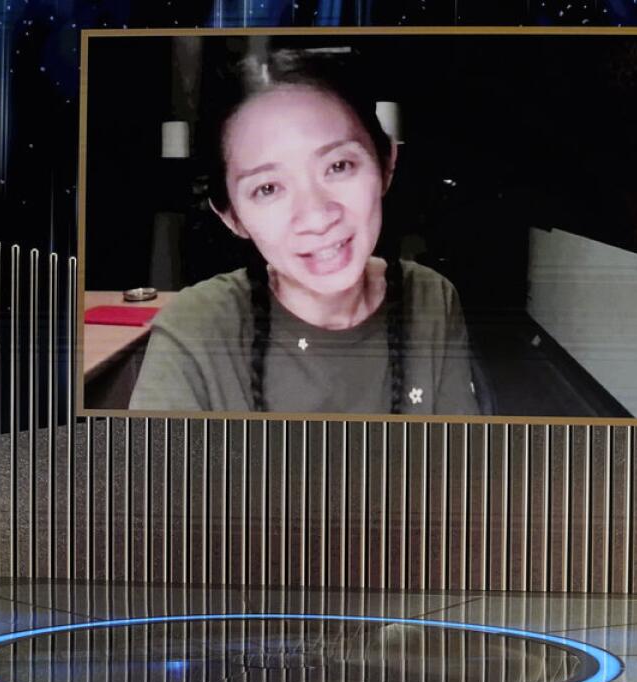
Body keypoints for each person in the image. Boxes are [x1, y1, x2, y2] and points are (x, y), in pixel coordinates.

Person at [129, 47, 481, 415]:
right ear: (230, 215)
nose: (316, 216)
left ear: (386, 163)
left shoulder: (431, 300)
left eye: (339, 165)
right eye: (268, 188)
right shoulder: (195, 330)